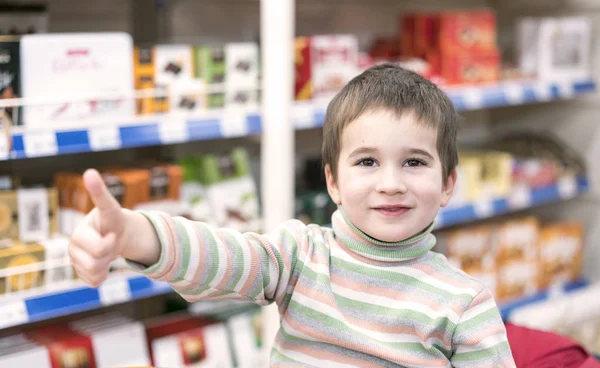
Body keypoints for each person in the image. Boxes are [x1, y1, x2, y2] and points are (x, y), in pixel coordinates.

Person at [69, 64, 516, 367]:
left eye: (414, 162)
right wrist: (136, 234)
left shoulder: (464, 305)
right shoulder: (300, 257)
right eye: (367, 162)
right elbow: (224, 256)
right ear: (333, 182)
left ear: (448, 184)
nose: (391, 183)